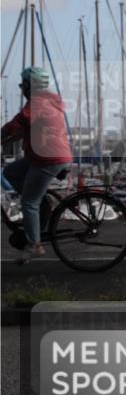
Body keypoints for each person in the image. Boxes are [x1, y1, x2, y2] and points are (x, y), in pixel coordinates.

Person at [1, 67, 73, 261]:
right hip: (43, 156)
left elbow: (17, 123)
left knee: (28, 202)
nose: (21, 89)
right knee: (10, 171)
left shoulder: (38, 103)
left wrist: (3, 134)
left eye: (22, 85)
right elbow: (27, 128)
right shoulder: (48, 101)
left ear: (29, 85)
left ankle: (34, 245)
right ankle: (41, 204)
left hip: (47, 159)